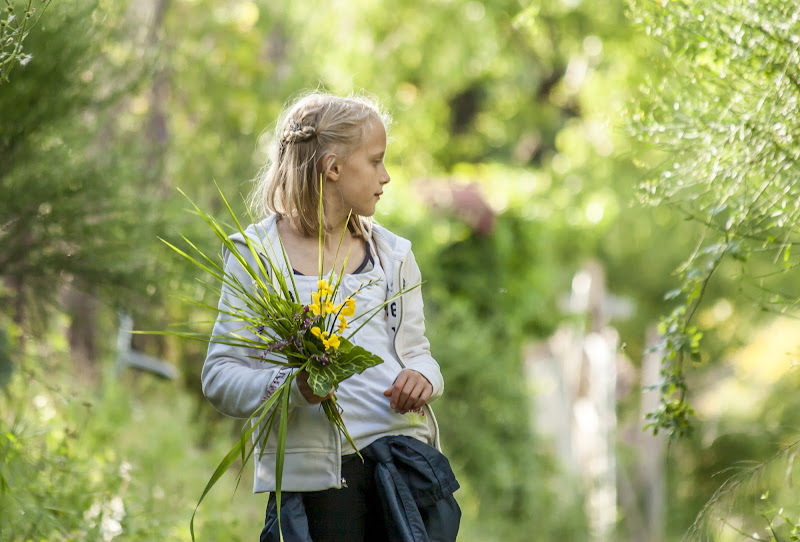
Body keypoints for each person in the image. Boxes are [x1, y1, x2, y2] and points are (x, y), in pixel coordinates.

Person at [201, 92, 460, 542]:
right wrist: (292, 389)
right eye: (376, 161)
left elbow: (418, 353)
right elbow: (219, 377)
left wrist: (423, 377)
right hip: (318, 487)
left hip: (400, 472)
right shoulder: (256, 257)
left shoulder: (393, 256)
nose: (386, 175)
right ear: (333, 168)